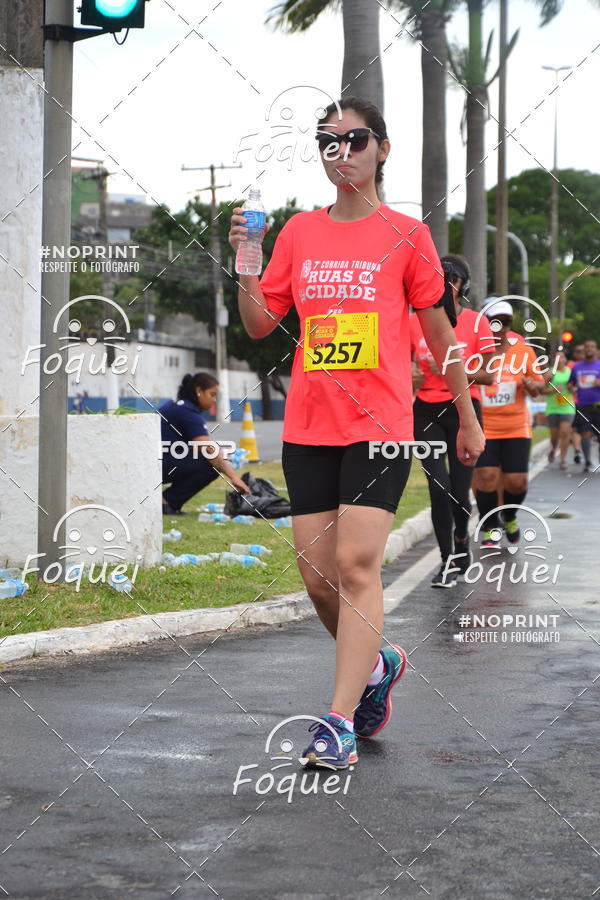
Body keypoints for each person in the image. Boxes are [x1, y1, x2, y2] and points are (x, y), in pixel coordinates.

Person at [229, 97, 484, 770]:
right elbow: (259, 324)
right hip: (311, 424)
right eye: (328, 142)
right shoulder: (299, 233)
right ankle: (379, 665)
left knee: (354, 567)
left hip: (380, 425)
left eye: (355, 138)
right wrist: (245, 258)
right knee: (316, 578)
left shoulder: (408, 236)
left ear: (383, 149)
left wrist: (465, 412)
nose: (341, 151)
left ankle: (336, 724)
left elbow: (439, 333)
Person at [410, 254, 494, 587]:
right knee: (437, 486)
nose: (445, 284)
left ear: (462, 285)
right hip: (427, 411)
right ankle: (446, 560)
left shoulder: (476, 322)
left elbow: (489, 375)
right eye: (438, 277)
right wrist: (413, 376)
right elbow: (401, 366)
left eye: (451, 278)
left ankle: (462, 539)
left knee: (459, 491)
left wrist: (455, 370)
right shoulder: (414, 320)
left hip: (464, 411)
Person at [472, 300, 545, 548]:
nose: (499, 327)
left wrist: (534, 385)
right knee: (487, 477)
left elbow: (537, 385)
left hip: (516, 425)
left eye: (505, 322)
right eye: (494, 321)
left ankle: (510, 516)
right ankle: (490, 526)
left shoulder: (523, 351)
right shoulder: (476, 351)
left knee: (517, 482)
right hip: (484, 425)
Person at [159, 373, 249, 515]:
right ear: (199, 391)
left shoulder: (178, 405)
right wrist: (234, 477)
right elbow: (208, 450)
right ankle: (167, 502)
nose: (214, 400)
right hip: (157, 464)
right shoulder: (187, 411)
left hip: (155, 460)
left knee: (213, 456)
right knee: (210, 464)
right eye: (212, 395)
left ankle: (167, 501)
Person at [569, 338, 600, 473]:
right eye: (586, 347)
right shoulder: (577, 367)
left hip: (598, 405)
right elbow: (571, 383)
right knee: (585, 433)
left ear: (595, 349)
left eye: (591, 347)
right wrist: (571, 388)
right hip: (582, 405)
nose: (589, 349)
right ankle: (587, 461)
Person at [543, 350, 575, 470]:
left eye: (561, 357)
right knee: (555, 436)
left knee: (565, 433)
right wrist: (552, 391)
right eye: (556, 357)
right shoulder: (550, 373)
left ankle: (562, 459)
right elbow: (540, 390)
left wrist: (573, 389)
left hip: (567, 407)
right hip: (553, 408)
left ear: (565, 359)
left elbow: (575, 388)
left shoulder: (571, 372)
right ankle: (553, 448)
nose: (559, 359)